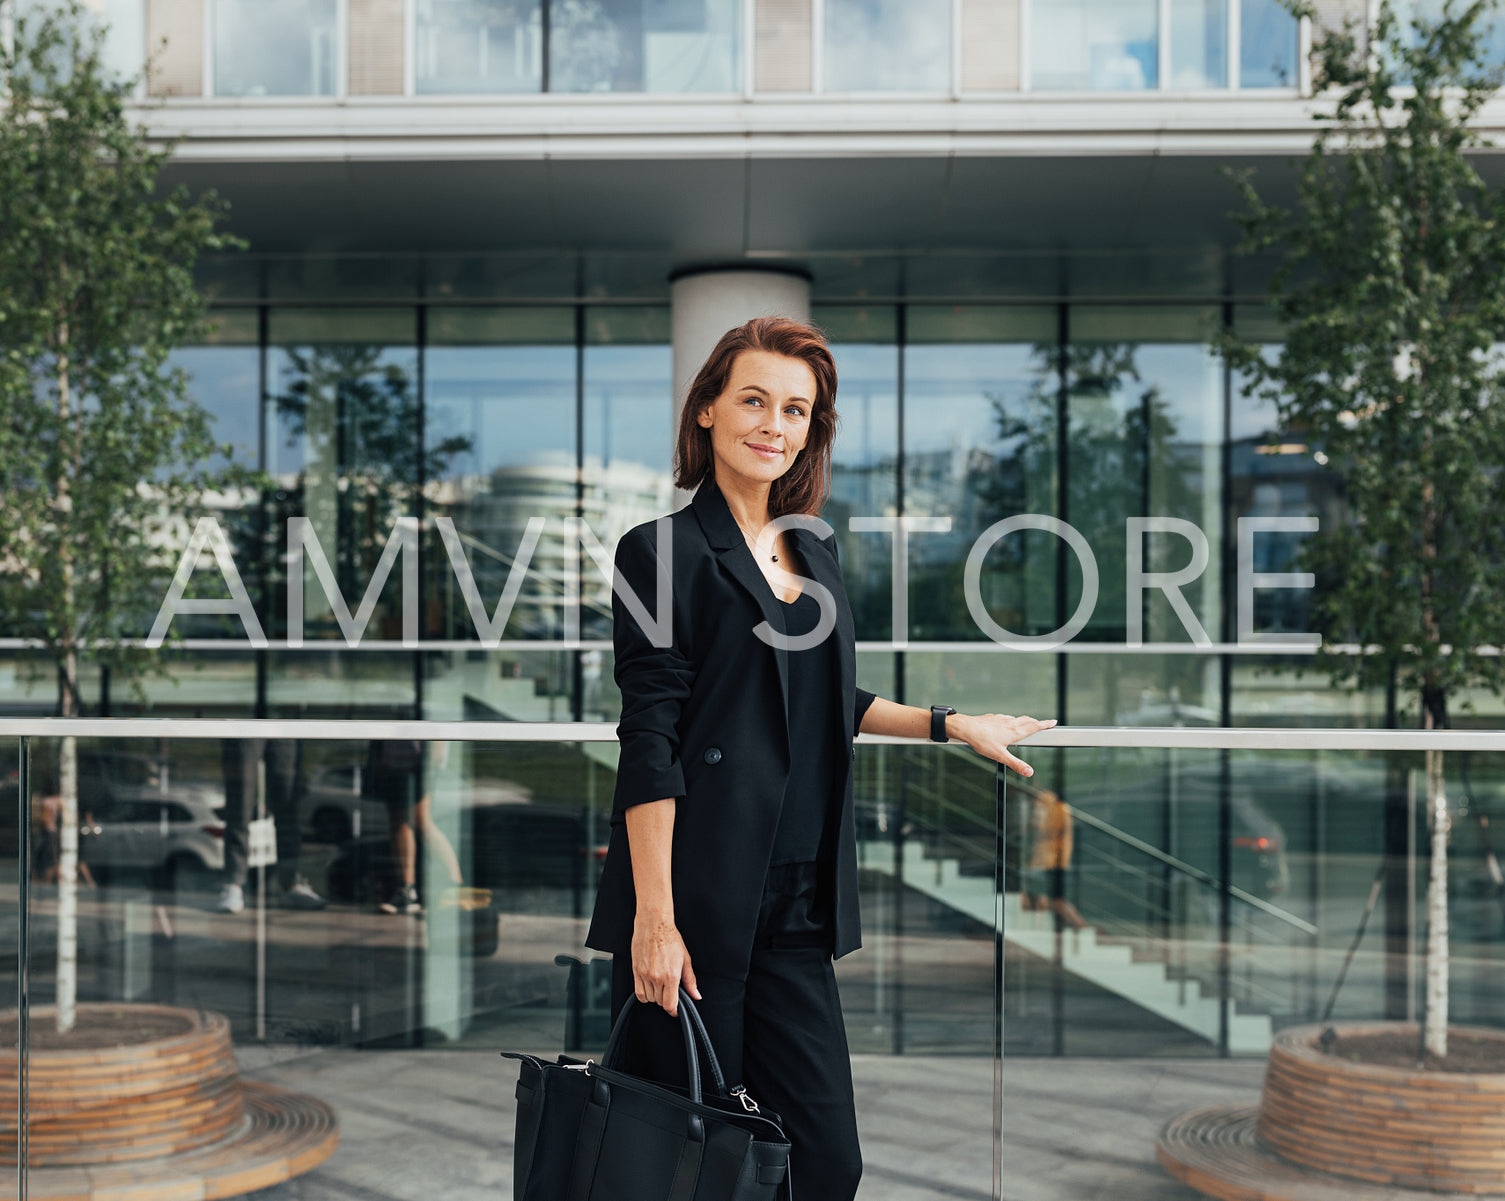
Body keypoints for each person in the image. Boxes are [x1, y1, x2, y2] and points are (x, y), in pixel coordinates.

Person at [583, 316, 1055, 1201]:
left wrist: (951, 724)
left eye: (796, 409)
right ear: (708, 415)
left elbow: (824, 700)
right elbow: (650, 737)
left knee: (825, 1158)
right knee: (692, 1160)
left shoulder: (817, 548)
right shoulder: (657, 552)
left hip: (796, 905)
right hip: (695, 904)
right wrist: (655, 917)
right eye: (754, 400)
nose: (775, 423)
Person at [216, 739, 326, 914]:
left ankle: (291, 884)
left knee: (288, 807)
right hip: (246, 720)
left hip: (283, 719)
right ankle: (233, 884)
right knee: (239, 807)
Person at [366, 739, 463, 914]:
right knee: (398, 822)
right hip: (393, 760)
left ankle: (455, 885)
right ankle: (406, 891)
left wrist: (435, 757)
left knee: (421, 820)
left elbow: (437, 720)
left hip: (418, 760)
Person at [1020, 788, 1088, 930]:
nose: (1036, 811)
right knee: (1046, 899)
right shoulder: (1059, 811)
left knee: (1051, 900)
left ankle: (1081, 927)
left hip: (1049, 863)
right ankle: (1079, 926)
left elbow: (1048, 833)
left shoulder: (1056, 810)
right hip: (1049, 862)